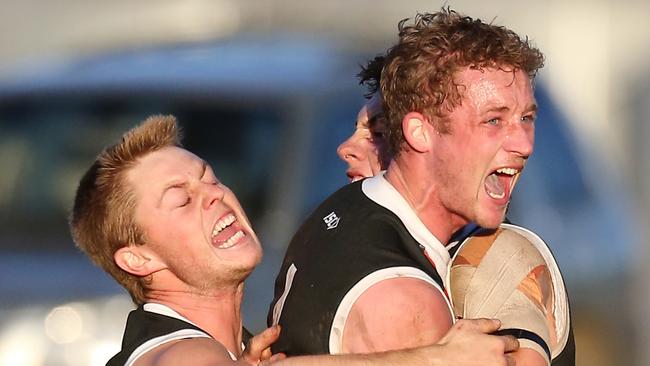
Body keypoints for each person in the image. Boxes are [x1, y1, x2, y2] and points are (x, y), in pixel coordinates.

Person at [70, 115, 521, 366]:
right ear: (138, 258)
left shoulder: (234, 350)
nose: (213, 196)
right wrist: (437, 359)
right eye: (181, 200)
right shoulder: (178, 353)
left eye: (209, 179)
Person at [269, 8, 572, 366]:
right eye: (493, 120)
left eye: (526, 118)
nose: (524, 143)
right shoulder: (407, 302)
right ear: (419, 132)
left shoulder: (346, 205)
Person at [337, 44, 576, 366]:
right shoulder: (357, 245)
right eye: (494, 121)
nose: (345, 148)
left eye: (379, 133)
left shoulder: (486, 255)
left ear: (422, 137)